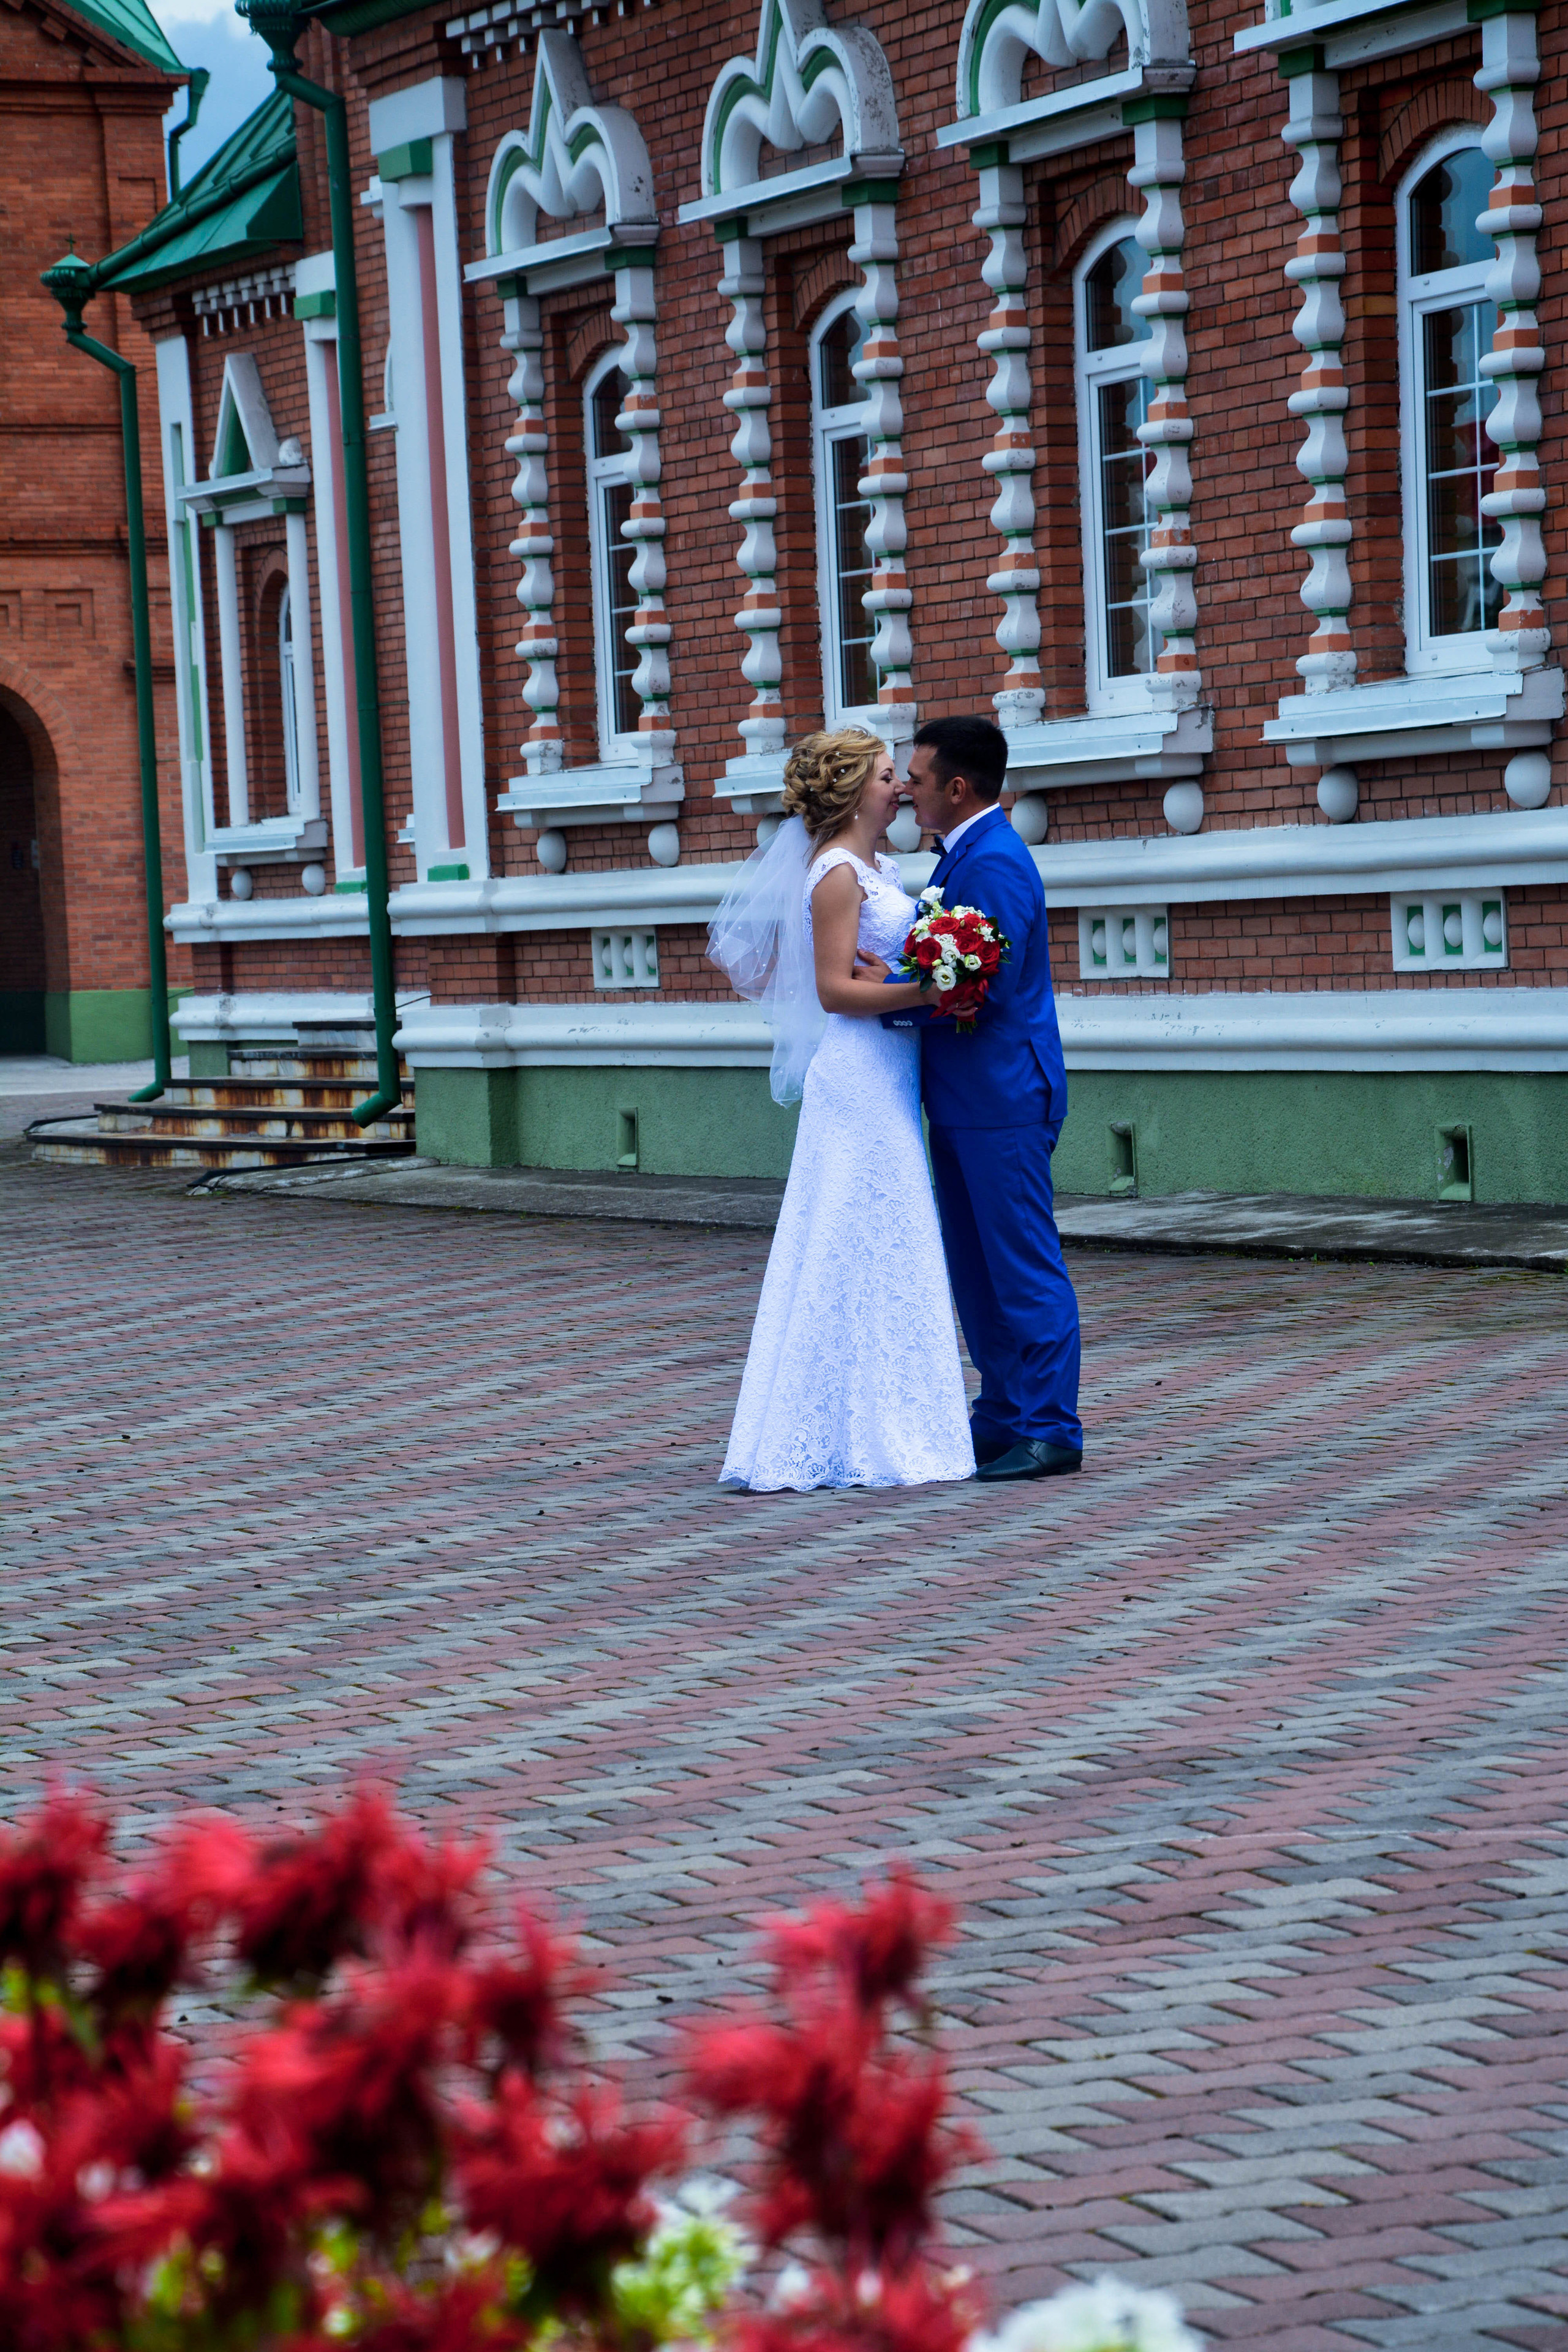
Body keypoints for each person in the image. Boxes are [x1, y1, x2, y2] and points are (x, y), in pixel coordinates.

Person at [707, 727, 975, 1491]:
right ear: (855, 787)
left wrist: (908, 975)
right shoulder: (834, 875)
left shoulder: (879, 868)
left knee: (880, 1243)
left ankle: (878, 1420)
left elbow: (875, 968)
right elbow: (834, 992)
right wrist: (927, 990)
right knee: (857, 1240)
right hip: (858, 1078)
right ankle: (837, 1430)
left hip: (890, 1072)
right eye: (889, 776)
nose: (902, 787)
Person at [884, 714, 1084, 1482]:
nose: (905, 789)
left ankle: (1049, 1427)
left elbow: (975, 986)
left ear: (957, 788)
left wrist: (877, 1000)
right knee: (976, 1268)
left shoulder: (993, 862)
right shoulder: (959, 857)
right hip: (965, 1094)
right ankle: (1002, 1414)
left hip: (1002, 1093)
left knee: (1021, 1266)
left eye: (918, 778)